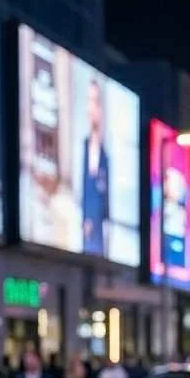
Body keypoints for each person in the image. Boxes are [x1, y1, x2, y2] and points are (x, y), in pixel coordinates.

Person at [82, 78, 110, 256]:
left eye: (95, 102)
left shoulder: (105, 155)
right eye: (89, 101)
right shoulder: (82, 147)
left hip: (99, 234)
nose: (92, 108)